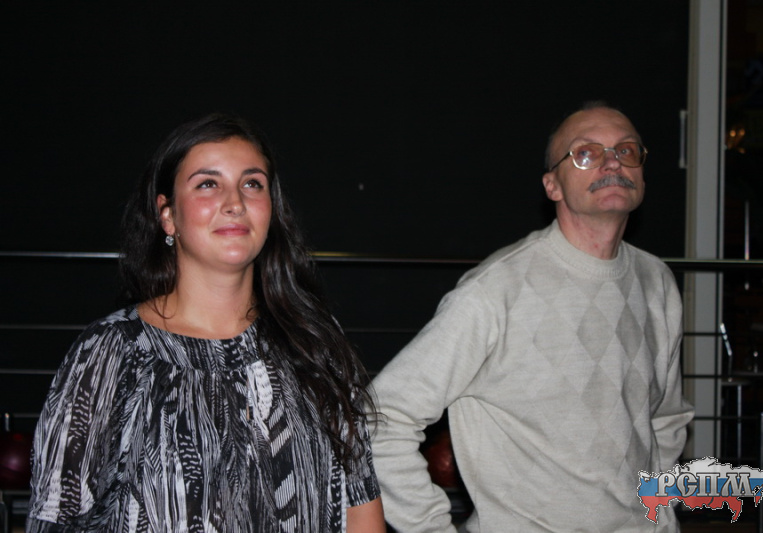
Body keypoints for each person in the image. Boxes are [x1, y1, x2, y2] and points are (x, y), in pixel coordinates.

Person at [26, 113, 385, 532]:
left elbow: (360, 503)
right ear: (168, 215)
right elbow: (56, 518)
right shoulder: (109, 353)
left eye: (252, 184)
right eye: (208, 184)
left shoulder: (313, 341)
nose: (235, 202)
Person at [371, 102, 694, 532]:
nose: (612, 162)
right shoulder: (496, 290)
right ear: (552, 185)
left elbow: (666, 419)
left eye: (626, 150)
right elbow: (380, 418)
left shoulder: (657, 281)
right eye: (586, 153)